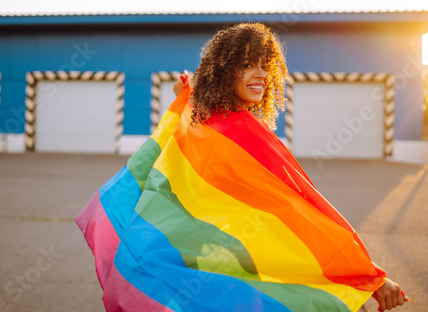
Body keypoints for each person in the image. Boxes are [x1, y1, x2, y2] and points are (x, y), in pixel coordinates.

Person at [76, 22, 410, 312]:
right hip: (213, 259)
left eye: (265, 66)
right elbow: (305, 208)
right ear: (222, 71)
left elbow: (295, 204)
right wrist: (368, 273)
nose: (261, 75)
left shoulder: (204, 117)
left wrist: (369, 272)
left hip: (209, 257)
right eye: (247, 65)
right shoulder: (225, 125)